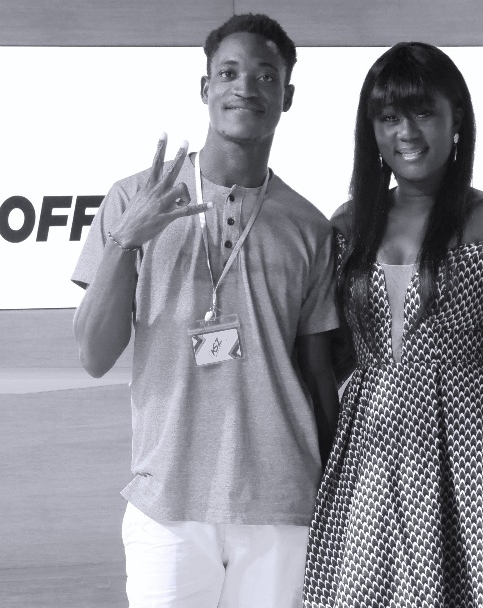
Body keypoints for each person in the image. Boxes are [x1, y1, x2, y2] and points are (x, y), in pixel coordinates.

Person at [303, 42, 483, 607]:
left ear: (456, 117)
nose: (406, 133)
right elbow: (328, 357)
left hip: (482, 450)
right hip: (373, 450)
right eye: (389, 117)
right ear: (371, 129)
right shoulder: (347, 225)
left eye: (423, 112)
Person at [72, 13, 340, 608]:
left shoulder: (310, 227)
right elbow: (93, 354)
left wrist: (336, 494)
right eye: (229, 73)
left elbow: (318, 375)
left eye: (266, 76)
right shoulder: (133, 198)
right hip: (167, 501)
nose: (246, 87)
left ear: (287, 96)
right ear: (205, 88)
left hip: (281, 504)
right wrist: (126, 240)